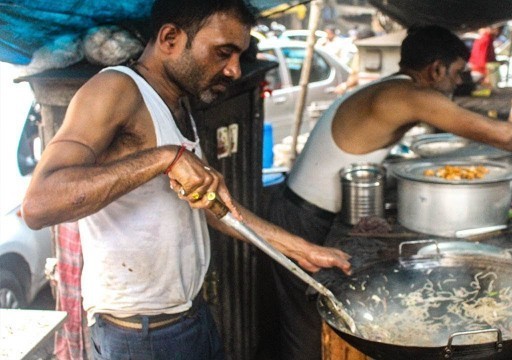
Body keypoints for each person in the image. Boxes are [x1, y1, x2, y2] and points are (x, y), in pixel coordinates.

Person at [21, 0, 351, 359]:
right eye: (223, 53)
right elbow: (39, 204)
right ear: (170, 38)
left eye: (239, 55)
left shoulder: (177, 103)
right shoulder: (115, 89)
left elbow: (215, 208)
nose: (234, 70)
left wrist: (301, 249)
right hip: (141, 337)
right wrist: (165, 158)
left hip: (189, 318)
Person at [266, 25, 512, 360]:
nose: (458, 83)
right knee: (307, 329)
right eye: (456, 73)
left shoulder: (392, 88)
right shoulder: (408, 95)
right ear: (436, 69)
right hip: (301, 217)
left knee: (309, 323)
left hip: (309, 210)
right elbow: (501, 135)